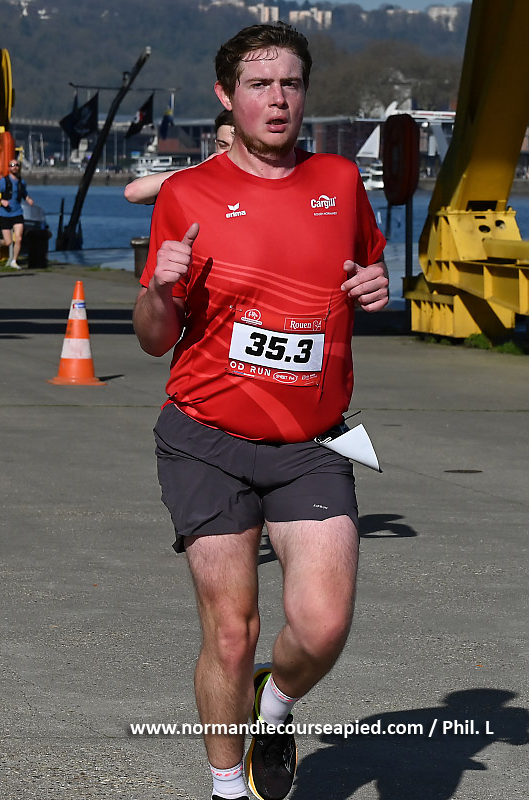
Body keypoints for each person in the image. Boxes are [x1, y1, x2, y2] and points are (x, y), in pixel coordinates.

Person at [133, 22, 388, 800]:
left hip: (311, 442)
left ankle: (272, 707)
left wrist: (376, 288)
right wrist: (160, 289)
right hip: (206, 439)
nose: (277, 100)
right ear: (226, 95)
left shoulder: (340, 181)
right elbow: (154, 338)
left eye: (290, 84)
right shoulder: (187, 195)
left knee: (323, 624)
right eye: (258, 85)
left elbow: (368, 272)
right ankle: (226, 788)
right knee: (231, 630)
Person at [124, 109, 235, 205]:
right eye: (222, 146)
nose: (229, 153)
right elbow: (132, 192)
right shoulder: (199, 183)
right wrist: (198, 169)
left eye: (237, 147)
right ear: (215, 144)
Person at [0, 158, 34, 269]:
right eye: (12, 165)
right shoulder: (4, 181)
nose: (14, 167)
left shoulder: (21, 182)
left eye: (16, 165)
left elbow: (24, 194)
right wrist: (1, 200)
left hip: (17, 213)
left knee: (19, 238)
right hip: (5, 214)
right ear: (9, 168)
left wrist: (28, 199)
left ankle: (14, 261)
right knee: (8, 242)